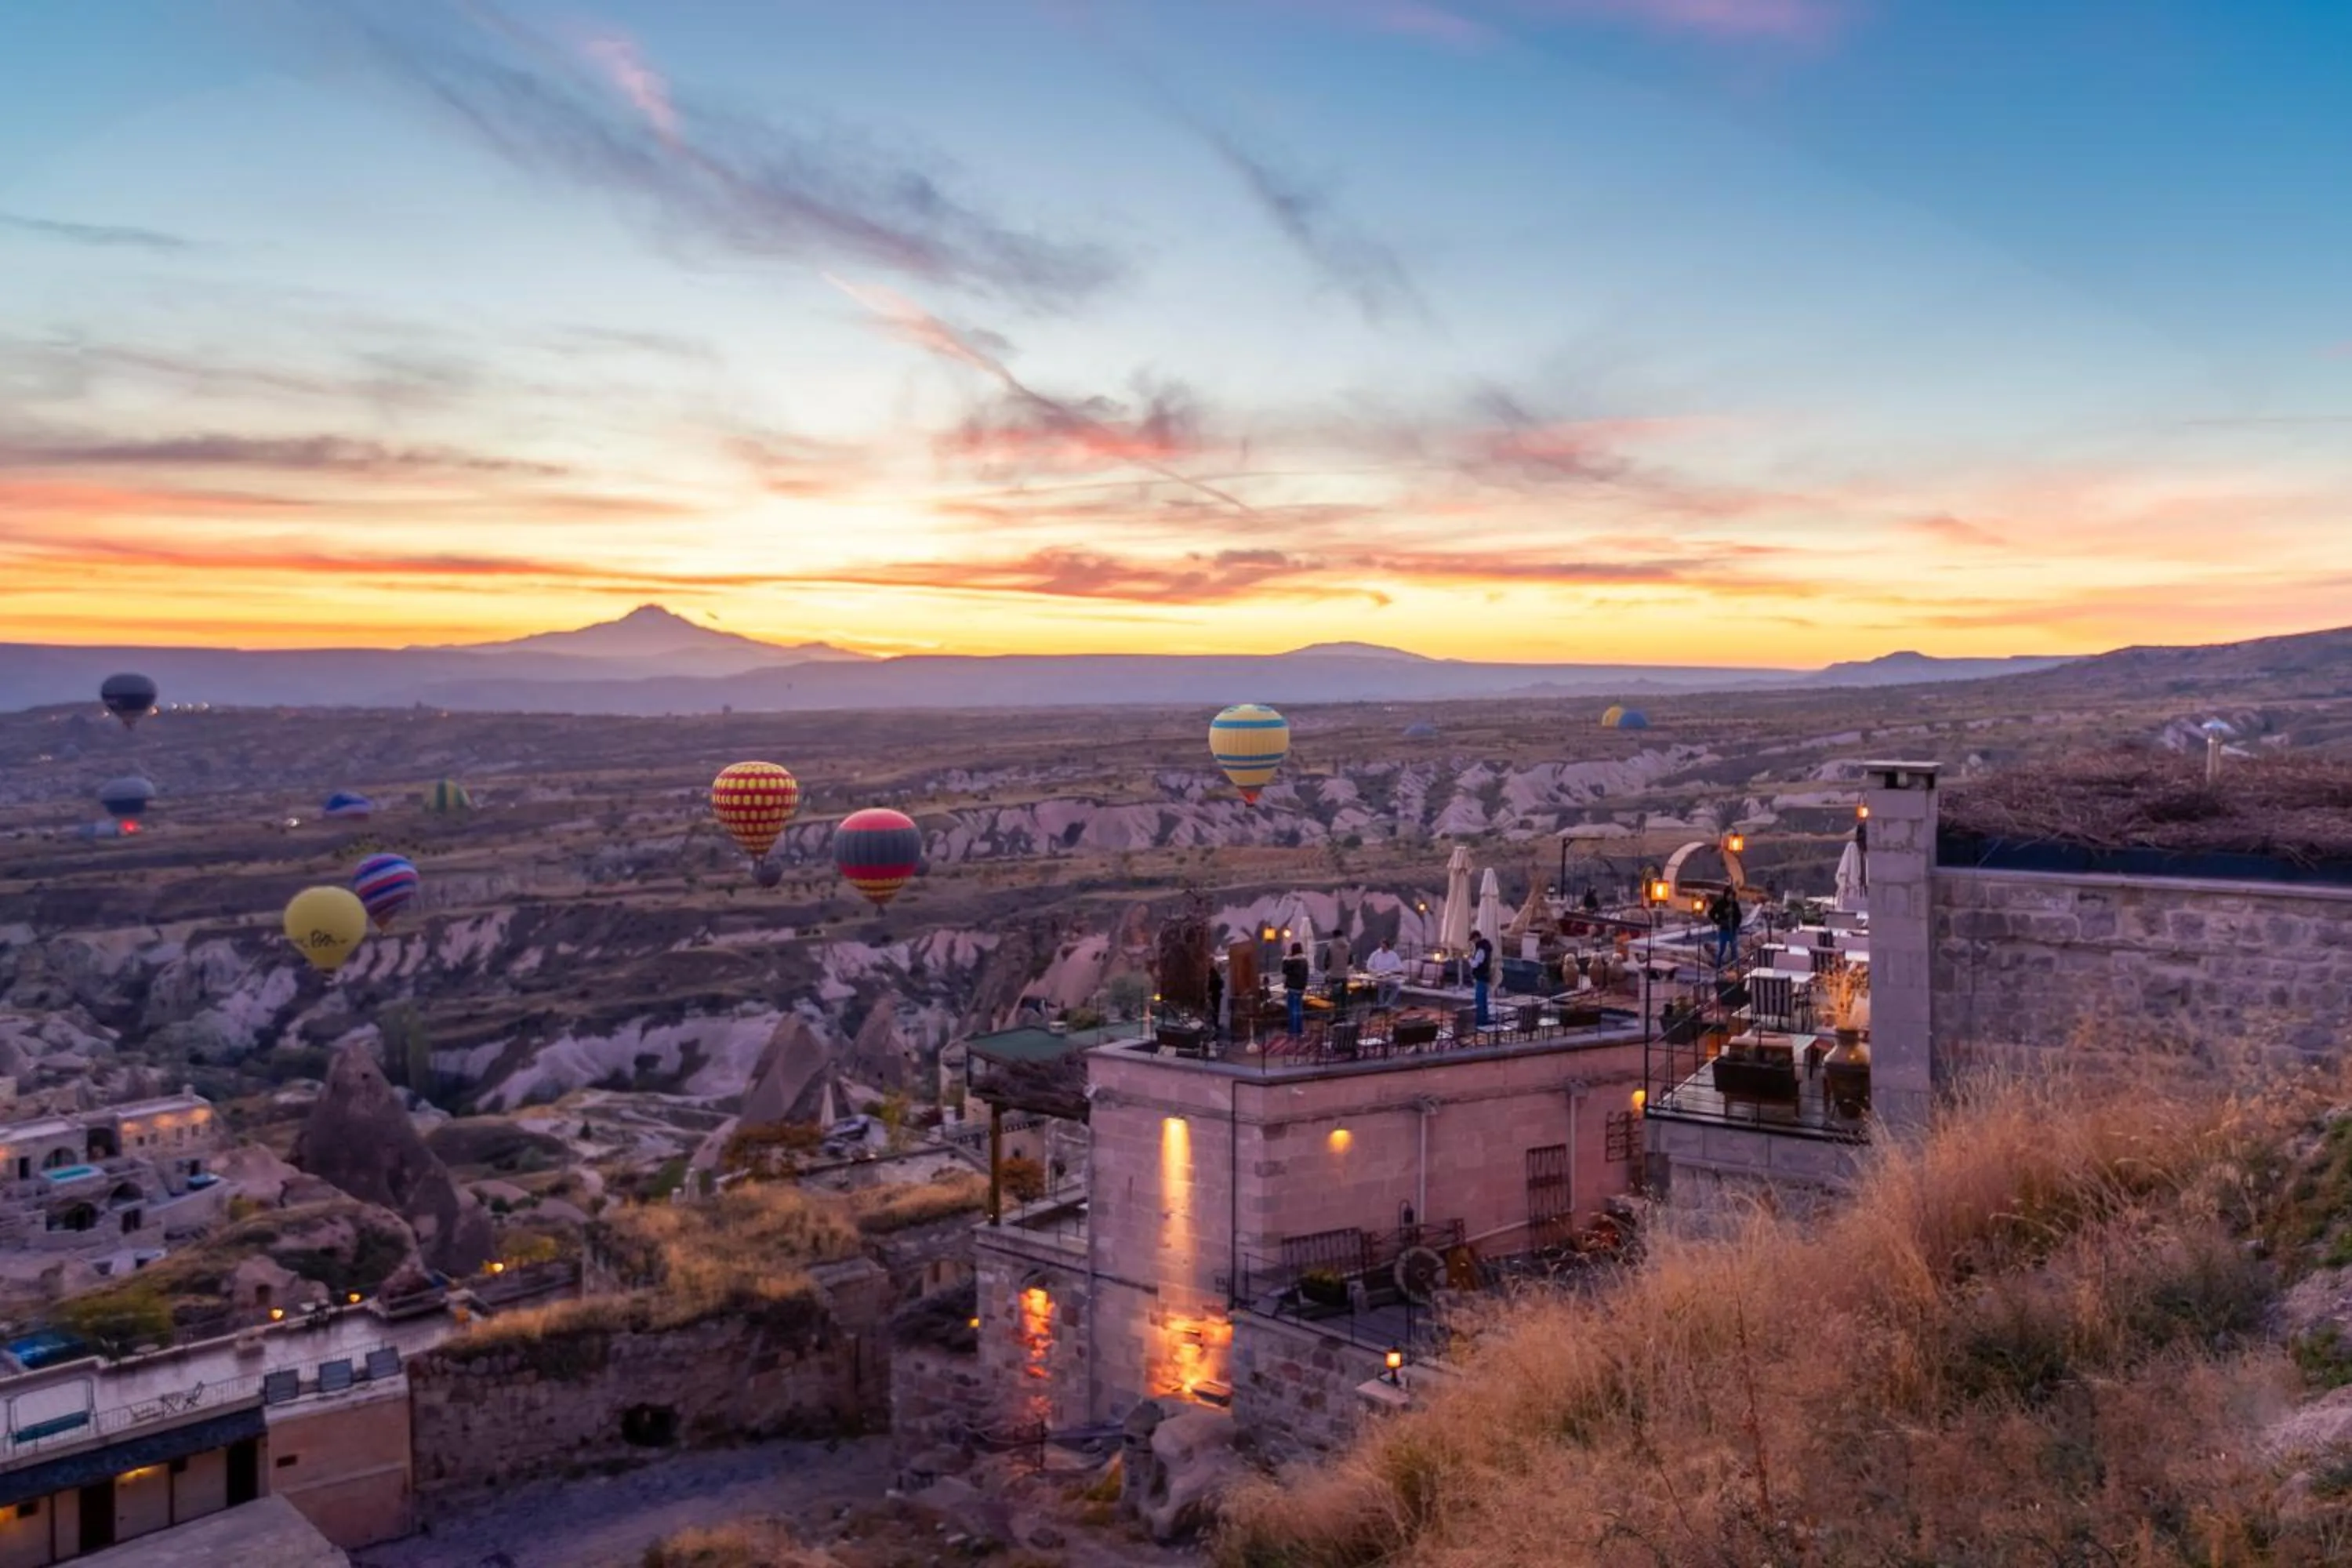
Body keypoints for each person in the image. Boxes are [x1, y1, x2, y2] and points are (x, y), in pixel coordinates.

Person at [1366, 937, 1405, 1010]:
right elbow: (1369, 966)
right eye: (1382, 946)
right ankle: (1381, 1005)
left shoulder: (1393, 955)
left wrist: (1391, 971)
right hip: (1378, 976)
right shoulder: (1375, 954)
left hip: (1389, 976)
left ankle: (1388, 1004)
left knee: (1397, 986)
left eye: (1384, 947)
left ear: (1388, 946)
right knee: (1381, 986)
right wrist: (1375, 971)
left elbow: (1400, 968)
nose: (1383, 948)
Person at [1282, 942, 1310, 1037]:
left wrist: (1285, 959)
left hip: (1292, 988)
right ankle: (1299, 1030)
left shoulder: (1292, 962)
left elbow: (1285, 970)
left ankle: (1293, 1032)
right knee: (1299, 1010)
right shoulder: (1304, 961)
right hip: (1301, 988)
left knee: (1292, 1011)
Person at [1710, 886, 1742, 967]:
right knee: (1722, 948)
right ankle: (1718, 965)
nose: (1731, 898)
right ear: (1726, 895)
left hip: (1732, 929)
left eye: (1732, 896)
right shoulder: (1720, 903)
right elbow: (1711, 913)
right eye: (1729, 895)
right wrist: (1718, 921)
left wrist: (1736, 924)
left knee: (1734, 948)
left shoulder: (1735, 904)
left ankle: (1736, 966)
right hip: (1723, 929)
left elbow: (1739, 916)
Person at [1469, 932, 1494, 1027]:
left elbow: (1476, 964)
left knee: (1480, 1000)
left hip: (1481, 977)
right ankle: (1484, 1018)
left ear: (1477, 938)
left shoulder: (1481, 949)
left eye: (1473, 940)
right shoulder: (1486, 947)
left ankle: (1481, 1020)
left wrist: (1469, 959)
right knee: (1483, 999)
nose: (1473, 942)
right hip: (1485, 976)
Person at [1207, 963, 1225, 1043]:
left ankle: (1214, 1025)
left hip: (1213, 997)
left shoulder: (1211, 980)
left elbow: (1209, 988)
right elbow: (1222, 985)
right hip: (1217, 996)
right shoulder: (1218, 978)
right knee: (1217, 1010)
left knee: (1213, 1011)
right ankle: (1216, 1024)